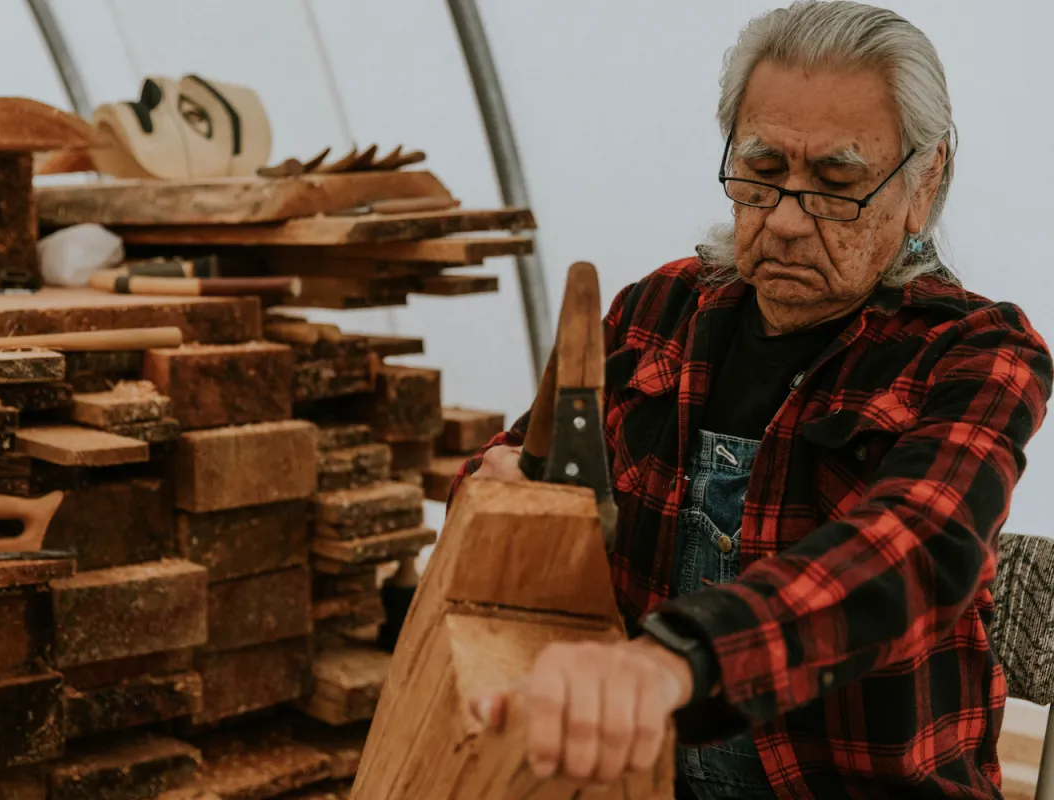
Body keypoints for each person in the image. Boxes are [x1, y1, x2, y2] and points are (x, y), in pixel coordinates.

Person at [449, 2, 1053, 798]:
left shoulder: (976, 355)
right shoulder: (653, 314)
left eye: (838, 186)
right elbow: (506, 474)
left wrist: (677, 661)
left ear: (923, 181)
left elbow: (910, 550)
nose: (790, 221)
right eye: (764, 175)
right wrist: (499, 491)